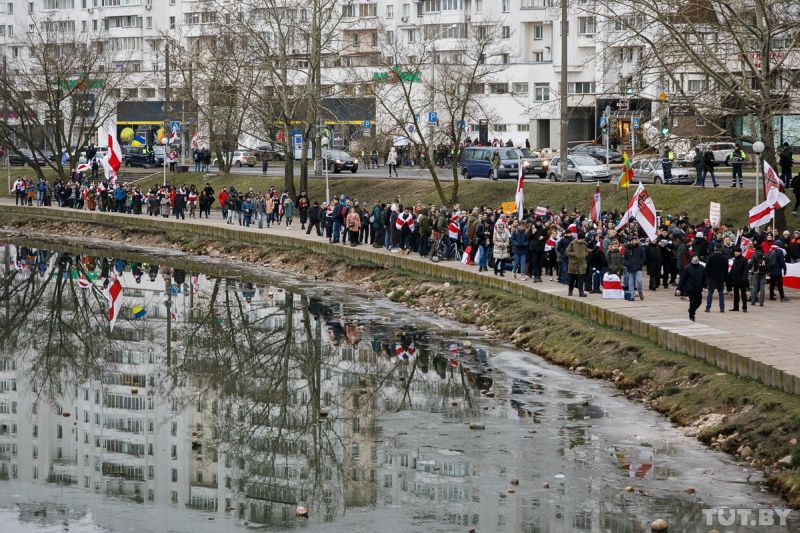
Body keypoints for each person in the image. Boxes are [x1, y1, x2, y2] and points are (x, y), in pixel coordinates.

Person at [676, 255, 707, 321]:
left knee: (699, 301)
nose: (696, 258)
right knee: (692, 301)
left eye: (697, 257)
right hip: (690, 288)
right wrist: (679, 289)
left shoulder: (702, 268)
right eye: (694, 257)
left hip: (698, 288)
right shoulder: (687, 268)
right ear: (692, 258)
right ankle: (692, 315)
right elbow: (682, 279)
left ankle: (691, 310)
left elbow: (705, 278)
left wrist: (705, 286)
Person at [704, 243, 727, 312]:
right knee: (721, 293)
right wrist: (725, 278)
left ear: (715, 249)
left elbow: (707, 268)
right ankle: (722, 308)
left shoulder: (710, 257)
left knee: (710, 292)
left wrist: (707, 277)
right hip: (721, 278)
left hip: (712, 277)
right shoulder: (725, 258)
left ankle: (708, 308)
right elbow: (726, 270)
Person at [566, 231, 588, 297]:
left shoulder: (585, 244)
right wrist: (574, 254)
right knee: (572, 280)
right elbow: (567, 252)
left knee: (581, 279)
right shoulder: (572, 243)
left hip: (582, 264)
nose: (583, 240)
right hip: (573, 264)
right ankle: (570, 291)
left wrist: (586, 254)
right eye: (582, 238)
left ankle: (581, 292)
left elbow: (587, 251)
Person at [728, 247, 749, 312]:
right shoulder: (735, 260)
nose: (735, 253)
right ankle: (736, 307)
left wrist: (744, 278)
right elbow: (732, 269)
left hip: (742, 280)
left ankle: (744, 307)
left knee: (743, 294)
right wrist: (730, 276)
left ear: (740, 252)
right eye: (735, 251)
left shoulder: (744, 259)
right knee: (736, 294)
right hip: (735, 279)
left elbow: (746, 270)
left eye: (737, 251)